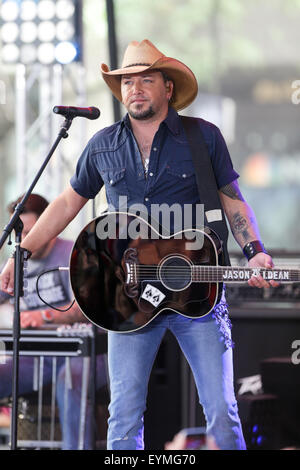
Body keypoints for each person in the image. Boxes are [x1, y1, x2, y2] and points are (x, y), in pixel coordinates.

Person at [0, 40, 279, 450]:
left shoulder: (203, 138)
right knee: (124, 413)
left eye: (146, 79)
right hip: (127, 297)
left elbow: (233, 201)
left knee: (221, 409)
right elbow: (65, 204)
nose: (135, 88)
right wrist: (20, 252)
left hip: (198, 293)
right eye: (128, 81)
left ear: (168, 88)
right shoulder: (103, 144)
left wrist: (255, 251)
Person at [0, 194, 108, 450]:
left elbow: (84, 308)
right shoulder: (16, 262)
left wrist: (42, 316)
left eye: (30, 232)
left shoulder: (74, 254)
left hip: (87, 353)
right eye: (20, 235)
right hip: (36, 359)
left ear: (47, 227)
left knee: (70, 380)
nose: (24, 241)